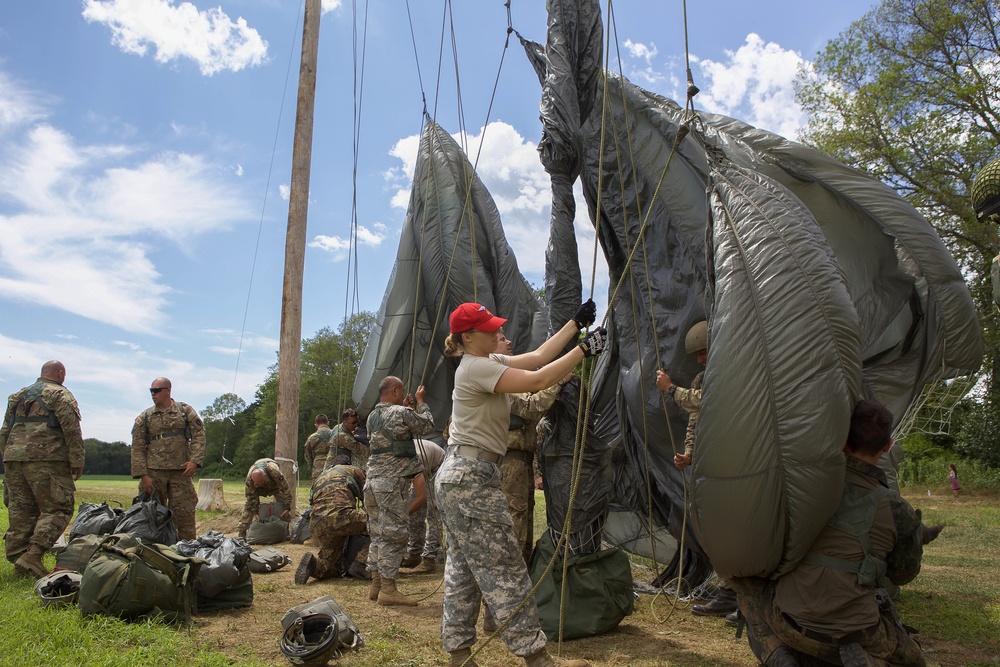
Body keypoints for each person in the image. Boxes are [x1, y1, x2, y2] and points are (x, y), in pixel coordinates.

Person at [436, 300, 605, 667]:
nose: (499, 332)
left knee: (464, 568)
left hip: (462, 475)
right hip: (471, 477)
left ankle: (460, 654)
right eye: (491, 328)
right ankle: (536, 657)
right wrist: (583, 350)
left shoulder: (486, 362)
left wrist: (575, 323)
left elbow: (540, 356)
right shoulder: (476, 368)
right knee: (506, 566)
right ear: (468, 337)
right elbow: (540, 380)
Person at [733, 399, 938, 667]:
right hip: (860, 631)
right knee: (913, 660)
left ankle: (776, 653)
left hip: (790, 623)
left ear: (840, 438)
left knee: (742, 581)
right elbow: (903, 574)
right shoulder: (897, 509)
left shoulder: (799, 488)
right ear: (888, 446)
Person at [656, 321, 737, 621]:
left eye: (703, 352)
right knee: (718, 532)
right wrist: (689, 455)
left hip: (733, 464)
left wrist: (671, 389)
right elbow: (695, 418)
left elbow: (711, 404)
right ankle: (730, 593)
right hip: (711, 467)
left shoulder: (729, 373)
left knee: (735, 531)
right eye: (698, 355)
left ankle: (742, 596)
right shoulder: (704, 378)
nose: (700, 359)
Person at [1, 361, 84, 578]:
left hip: (14, 458)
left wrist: (7, 457)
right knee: (58, 508)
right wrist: (77, 460)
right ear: (60, 373)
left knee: (21, 509)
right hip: (47, 459)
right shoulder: (60, 395)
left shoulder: (17, 396)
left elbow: (5, 430)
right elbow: (71, 429)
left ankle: (20, 561)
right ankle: (33, 555)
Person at [363, 376, 435, 606]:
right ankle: (388, 589)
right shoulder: (400, 414)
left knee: (377, 534)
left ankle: (376, 585)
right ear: (395, 390)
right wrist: (421, 403)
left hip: (372, 483)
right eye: (401, 391)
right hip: (391, 484)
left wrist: (405, 408)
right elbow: (427, 425)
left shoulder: (372, 417)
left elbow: (393, 432)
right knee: (394, 534)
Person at [131, 376, 205, 540]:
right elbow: (137, 446)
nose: (153, 394)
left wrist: (194, 461)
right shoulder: (146, 416)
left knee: (184, 516)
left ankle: (187, 553)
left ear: (168, 391)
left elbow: (199, 436)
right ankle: (151, 552)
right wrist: (143, 475)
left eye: (156, 390)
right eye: (151, 391)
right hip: (154, 474)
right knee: (149, 516)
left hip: (181, 473)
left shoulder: (184, 411)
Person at [295, 456, 369, 584]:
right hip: (341, 517)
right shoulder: (355, 470)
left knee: (332, 566)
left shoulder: (320, 478)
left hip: (319, 523)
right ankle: (361, 563)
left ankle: (314, 564)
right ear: (348, 464)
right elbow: (368, 498)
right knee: (378, 523)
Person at [400, 438, 446, 573]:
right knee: (414, 515)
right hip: (425, 469)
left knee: (433, 515)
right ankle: (414, 555)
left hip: (438, 469)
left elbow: (422, 498)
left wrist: (403, 514)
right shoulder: (396, 456)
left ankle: (429, 560)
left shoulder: (416, 458)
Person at [236, 457, 293, 538]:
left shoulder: (274, 472)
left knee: (282, 503)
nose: (260, 484)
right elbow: (251, 496)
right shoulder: (250, 480)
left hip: (274, 487)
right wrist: (255, 512)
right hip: (259, 490)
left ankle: (285, 530)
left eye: (261, 482)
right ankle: (242, 531)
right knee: (248, 505)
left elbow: (285, 488)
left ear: (265, 476)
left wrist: (287, 507)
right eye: (258, 483)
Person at [303, 414, 335, 484]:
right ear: (328, 423)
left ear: (316, 425)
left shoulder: (312, 438)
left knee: (317, 490)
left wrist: (313, 462)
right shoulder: (335, 435)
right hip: (334, 466)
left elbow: (307, 455)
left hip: (318, 467)